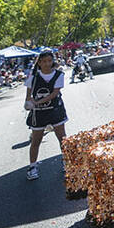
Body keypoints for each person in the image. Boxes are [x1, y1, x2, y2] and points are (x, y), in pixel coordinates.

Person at [24, 51, 68, 181]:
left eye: (49, 61)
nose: (47, 64)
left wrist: (37, 102)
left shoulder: (59, 75)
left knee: (62, 138)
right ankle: (32, 166)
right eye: (43, 61)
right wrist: (28, 101)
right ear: (39, 63)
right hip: (39, 113)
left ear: (52, 61)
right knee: (36, 140)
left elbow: (54, 93)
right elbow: (28, 91)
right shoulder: (33, 76)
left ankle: (66, 161)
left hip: (55, 110)